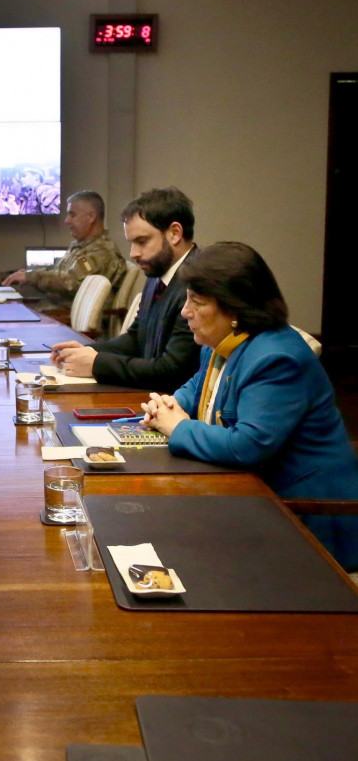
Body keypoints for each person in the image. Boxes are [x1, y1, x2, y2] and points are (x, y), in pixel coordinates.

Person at [140, 242, 358, 571]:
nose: (185, 311)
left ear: (235, 309)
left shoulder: (277, 358)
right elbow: (197, 388)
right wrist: (167, 406)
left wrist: (178, 427)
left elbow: (249, 445)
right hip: (254, 498)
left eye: (197, 302)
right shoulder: (223, 341)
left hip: (310, 519)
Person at [49, 187, 201, 392]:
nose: (133, 253)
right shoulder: (159, 273)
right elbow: (136, 339)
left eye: (142, 241)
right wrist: (87, 351)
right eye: (131, 243)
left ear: (175, 233)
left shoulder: (197, 285)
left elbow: (172, 372)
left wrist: (96, 364)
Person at [1, 191, 127, 311]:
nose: (67, 221)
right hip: (55, 313)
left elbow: (70, 282)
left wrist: (32, 277)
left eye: (72, 214)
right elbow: (58, 273)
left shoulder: (101, 252)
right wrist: (29, 275)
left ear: (91, 217)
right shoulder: (82, 247)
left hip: (68, 321)